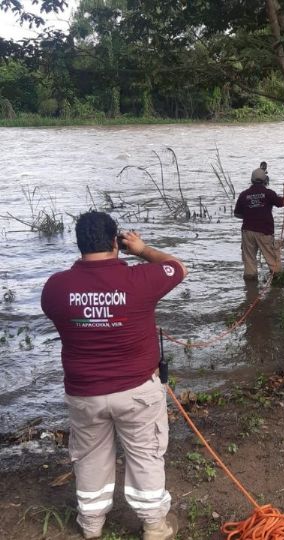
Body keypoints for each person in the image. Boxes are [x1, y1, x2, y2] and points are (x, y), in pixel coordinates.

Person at [40, 211, 187, 540]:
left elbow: (58, 315)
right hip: (137, 391)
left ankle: (91, 526)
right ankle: (154, 527)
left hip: (84, 393)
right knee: (145, 454)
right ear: (114, 242)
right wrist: (142, 249)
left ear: (78, 245)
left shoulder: (55, 287)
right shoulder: (140, 279)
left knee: (90, 457)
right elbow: (178, 267)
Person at [234, 165, 284, 279]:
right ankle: (277, 287)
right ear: (265, 180)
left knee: (249, 265)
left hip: (247, 232)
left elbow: (237, 214)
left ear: (252, 180)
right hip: (264, 232)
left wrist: (250, 214)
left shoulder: (244, 194)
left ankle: (250, 290)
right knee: (274, 263)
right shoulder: (268, 193)